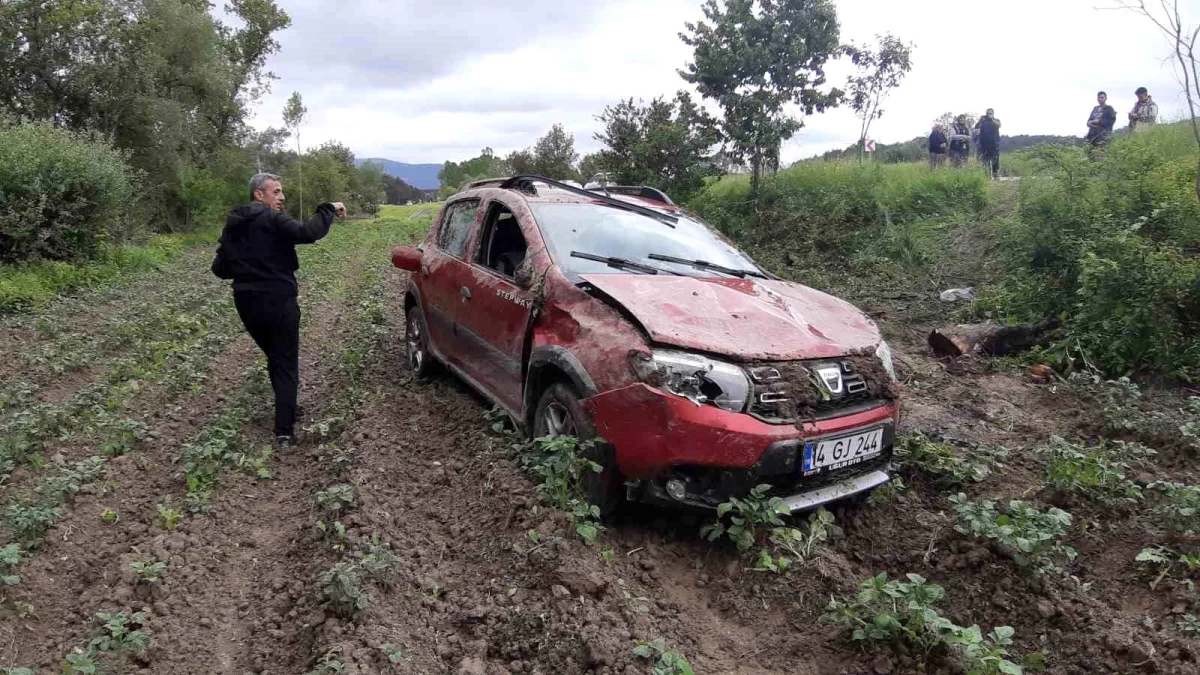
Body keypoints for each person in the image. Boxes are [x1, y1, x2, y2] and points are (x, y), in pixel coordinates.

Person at [211, 173, 346, 446]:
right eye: (276, 191)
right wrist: (328, 208)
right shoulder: (270, 218)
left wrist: (246, 261)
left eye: (281, 192)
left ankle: (288, 407)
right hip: (277, 299)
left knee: (275, 356)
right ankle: (284, 431)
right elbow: (308, 233)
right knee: (285, 362)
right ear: (259, 195)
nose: (281, 197)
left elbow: (219, 269)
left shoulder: (233, 226)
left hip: (246, 303)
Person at [975, 109, 1002, 179]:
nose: (989, 114)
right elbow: (977, 128)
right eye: (988, 113)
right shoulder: (983, 121)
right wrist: (981, 120)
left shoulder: (996, 120)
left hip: (994, 144)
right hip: (985, 145)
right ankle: (987, 176)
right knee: (985, 161)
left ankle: (996, 175)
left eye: (991, 113)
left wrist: (992, 119)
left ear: (993, 113)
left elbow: (999, 125)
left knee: (995, 160)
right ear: (986, 113)